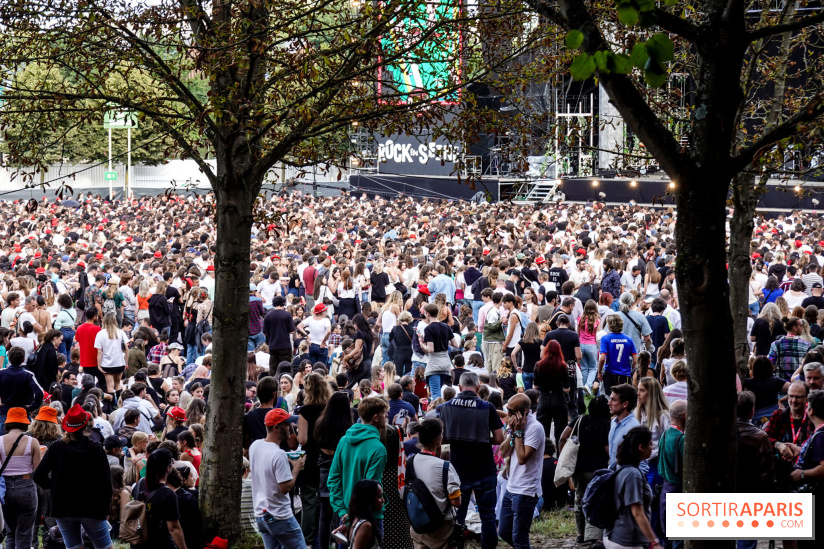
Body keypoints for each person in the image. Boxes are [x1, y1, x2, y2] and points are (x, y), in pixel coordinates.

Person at [33, 403, 113, 549]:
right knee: (105, 547)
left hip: (63, 507)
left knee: (74, 547)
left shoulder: (57, 447)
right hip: (91, 506)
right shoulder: (95, 448)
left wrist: (54, 487)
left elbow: (38, 475)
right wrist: (106, 508)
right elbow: (106, 483)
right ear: (85, 426)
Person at [441, 372, 505, 549]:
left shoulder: (446, 407)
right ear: (478, 388)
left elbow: (441, 439)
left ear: (459, 388)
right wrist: (483, 439)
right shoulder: (487, 407)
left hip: (458, 470)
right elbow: (500, 438)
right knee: (488, 516)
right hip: (484, 469)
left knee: (458, 517)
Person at [328, 396, 388, 534]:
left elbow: (333, 478)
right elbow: (369, 490)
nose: (386, 416)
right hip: (368, 518)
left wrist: (342, 511)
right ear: (376, 417)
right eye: (384, 413)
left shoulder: (344, 440)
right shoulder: (378, 449)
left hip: (345, 515)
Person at [249, 407, 307, 549]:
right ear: (276, 427)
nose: (290, 427)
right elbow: (284, 488)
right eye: (287, 424)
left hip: (261, 515)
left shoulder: (255, 446)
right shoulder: (278, 454)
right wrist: (296, 468)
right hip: (280, 516)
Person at [559, 395, 610, 544]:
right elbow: (607, 449)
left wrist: (564, 456)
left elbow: (563, 437)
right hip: (598, 470)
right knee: (596, 500)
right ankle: (593, 535)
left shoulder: (580, 420)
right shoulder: (607, 424)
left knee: (579, 499)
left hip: (579, 469)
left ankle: (580, 534)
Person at [497, 393, 545, 549]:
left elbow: (523, 458)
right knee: (504, 532)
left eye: (512, 411)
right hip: (512, 486)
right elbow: (503, 453)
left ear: (524, 411)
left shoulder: (535, 428)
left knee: (519, 537)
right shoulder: (514, 426)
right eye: (508, 410)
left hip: (526, 490)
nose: (508, 414)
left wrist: (518, 432)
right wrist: (512, 432)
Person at [405, 418, 461, 549]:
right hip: (441, 530)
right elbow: (456, 502)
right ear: (438, 439)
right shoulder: (445, 467)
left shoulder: (410, 461)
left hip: (418, 524)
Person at [604, 426, 661, 549]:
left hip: (618, 537)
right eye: (650, 444)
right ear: (641, 447)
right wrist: (654, 542)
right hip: (625, 541)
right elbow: (637, 512)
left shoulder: (620, 467)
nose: (652, 448)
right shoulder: (632, 474)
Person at [316, 391, 355, 549]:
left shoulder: (321, 423)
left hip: (325, 468)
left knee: (324, 515)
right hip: (342, 470)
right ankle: (341, 544)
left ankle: (324, 546)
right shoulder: (348, 428)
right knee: (344, 510)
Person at [296, 372, 332, 546]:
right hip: (329, 458)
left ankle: (307, 540)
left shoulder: (305, 411)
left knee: (309, 501)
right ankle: (332, 536)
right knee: (330, 500)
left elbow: (302, 440)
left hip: (310, 459)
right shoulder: (330, 409)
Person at [130, 448, 189, 549]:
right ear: (168, 468)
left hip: (138, 541)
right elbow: (174, 528)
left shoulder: (139, 484)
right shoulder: (168, 494)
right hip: (159, 543)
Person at [1, 407, 42, 549]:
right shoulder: (32, 442)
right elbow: (38, 472)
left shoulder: (0, 441)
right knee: (24, 534)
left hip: (5, 489)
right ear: (25, 423)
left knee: (10, 532)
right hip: (26, 487)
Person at [790, 389, 824, 549]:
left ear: (810, 411)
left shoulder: (821, 436)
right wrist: (799, 450)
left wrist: (802, 474)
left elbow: (823, 468)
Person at [658, 400, 686, 549]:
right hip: (677, 491)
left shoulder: (664, 435)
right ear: (686, 416)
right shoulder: (681, 439)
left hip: (665, 490)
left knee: (667, 537)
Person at [533, 340, 569, 450]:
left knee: (543, 432)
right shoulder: (563, 366)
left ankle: (545, 455)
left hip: (544, 399)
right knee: (560, 432)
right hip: (559, 399)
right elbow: (567, 388)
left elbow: (535, 387)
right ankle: (559, 457)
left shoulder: (539, 365)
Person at [419, 303, 459, 400]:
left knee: (436, 394)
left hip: (434, 364)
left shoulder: (428, 328)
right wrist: (444, 340)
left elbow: (431, 349)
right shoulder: (446, 326)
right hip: (445, 363)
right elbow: (455, 344)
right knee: (440, 391)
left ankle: (437, 413)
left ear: (427, 314)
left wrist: (422, 343)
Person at [0, 346, 43, 434]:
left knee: (2, 443)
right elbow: (40, 393)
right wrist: (31, 407)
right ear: (23, 360)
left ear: (9, 359)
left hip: (5, 412)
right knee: (25, 443)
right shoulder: (28, 375)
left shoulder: (2, 373)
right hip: (22, 412)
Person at [335, 479, 385, 549]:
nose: (383, 500)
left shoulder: (356, 520)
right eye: (379, 497)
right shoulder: (365, 526)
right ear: (368, 499)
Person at [599, 315, 637, 396]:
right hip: (625, 373)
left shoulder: (605, 338)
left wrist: (599, 372)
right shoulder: (628, 339)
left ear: (609, 325)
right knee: (624, 397)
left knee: (610, 396)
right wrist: (632, 370)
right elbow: (635, 359)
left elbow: (602, 358)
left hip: (610, 372)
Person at [94, 312, 129, 398]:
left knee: (110, 386)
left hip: (107, 364)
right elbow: (127, 349)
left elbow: (99, 351)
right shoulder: (120, 332)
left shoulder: (100, 334)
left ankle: (111, 406)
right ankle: (120, 404)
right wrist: (126, 363)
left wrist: (99, 365)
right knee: (118, 385)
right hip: (119, 362)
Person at [768, 316, 811, 381]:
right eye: (800, 326)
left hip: (780, 383)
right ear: (794, 328)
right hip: (798, 384)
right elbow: (808, 365)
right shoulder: (806, 345)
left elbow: (770, 364)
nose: (802, 328)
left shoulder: (775, 344)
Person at [608, 384, 641, 468]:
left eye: (613, 400)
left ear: (625, 404)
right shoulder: (613, 423)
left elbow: (642, 464)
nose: (609, 403)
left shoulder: (634, 428)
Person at [263, 296, 297, 375]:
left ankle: (272, 383)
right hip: (285, 345)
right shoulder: (287, 315)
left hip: (273, 345)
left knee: (273, 368)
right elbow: (292, 331)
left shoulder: (268, 315)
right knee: (285, 367)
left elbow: (265, 332)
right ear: (283, 303)